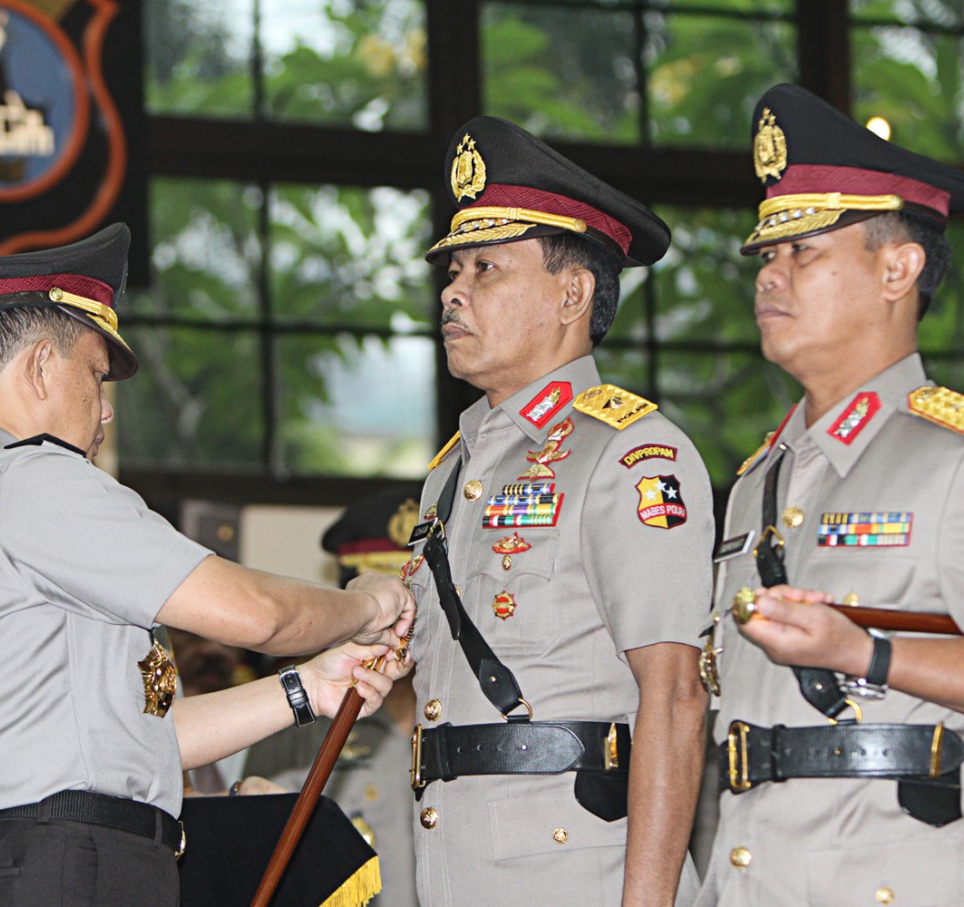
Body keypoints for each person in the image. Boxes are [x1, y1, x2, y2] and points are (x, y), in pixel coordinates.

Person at [0, 223, 415, 907]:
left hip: (5, 860)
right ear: (42, 367)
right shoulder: (35, 482)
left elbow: (146, 737)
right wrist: (369, 605)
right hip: (68, 865)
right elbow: (260, 614)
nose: (105, 411)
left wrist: (308, 688)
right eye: (98, 376)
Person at [405, 116, 713, 905]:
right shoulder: (452, 470)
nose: (452, 291)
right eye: (452, 270)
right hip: (456, 866)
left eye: (486, 269)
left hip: (575, 870)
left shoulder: (632, 452)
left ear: (571, 293)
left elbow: (674, 694)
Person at [701, 83, 964, 906]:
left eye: (804, 251)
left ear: (898, 267)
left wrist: (866, 653)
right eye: (766, 255)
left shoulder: (949, 459)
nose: (769, 276)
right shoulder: (756, 482)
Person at [243, 484, 423, 907]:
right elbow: (261, 840)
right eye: (391, 611)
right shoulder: (303, 712)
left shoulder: (471, 706)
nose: (404, 628)